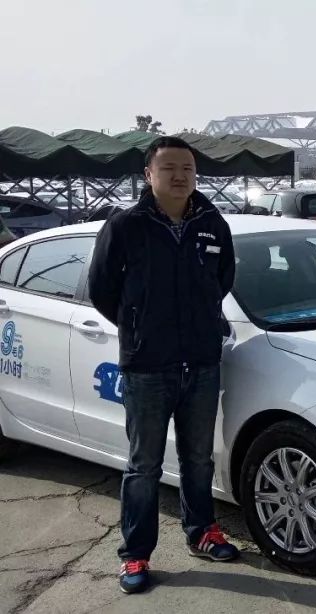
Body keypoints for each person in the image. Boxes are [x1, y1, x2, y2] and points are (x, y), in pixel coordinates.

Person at [88, 137, 239, 595]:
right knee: (144, 466)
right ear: (149, 175)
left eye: (188, 168)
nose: (180, 176)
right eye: (169, 167)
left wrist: (199, 325)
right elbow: (102, 289)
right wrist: (139, 327)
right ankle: (135, 554)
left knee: (198, 458)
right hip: (148, 366)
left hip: (201, 362)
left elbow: (222, 280)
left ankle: (202, 532)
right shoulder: (126, 226)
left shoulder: (212, 223)